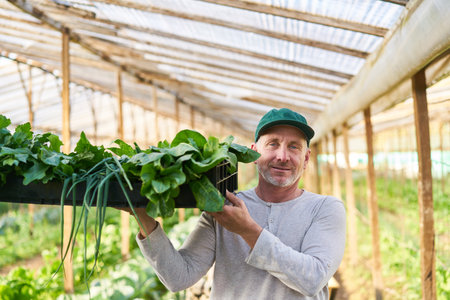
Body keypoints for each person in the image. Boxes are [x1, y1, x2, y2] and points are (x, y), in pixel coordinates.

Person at [126, 108, 346, 299]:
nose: (282, 156)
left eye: (294, 147)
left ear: (306, 158)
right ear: (253, 152)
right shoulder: (225, 206)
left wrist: (247, 230)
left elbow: (313, 279)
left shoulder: (325, 208)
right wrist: (142, 217)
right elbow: (179, 277)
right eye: (273, 144)